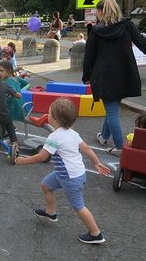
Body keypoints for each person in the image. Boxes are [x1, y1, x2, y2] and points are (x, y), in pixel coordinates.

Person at [16, 98, 110, 244]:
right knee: (46, 185)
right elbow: (86, 148)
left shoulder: (54, 137)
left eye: (49, 112)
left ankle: (95, 233)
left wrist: (23, 161)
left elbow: (42, 156)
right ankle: (50, 212)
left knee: (79, 206)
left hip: (69, 177)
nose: (47, 113)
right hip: (69, 173)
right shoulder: (72, 133)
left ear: (55, 119)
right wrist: (96, 163)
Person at [83, 0, 146, 157]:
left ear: (100, 11)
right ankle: (104, 137)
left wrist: (86, 76)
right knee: (112, 108)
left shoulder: (96, 31)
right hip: (125, 74)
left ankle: (119, 147)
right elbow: (143, 44)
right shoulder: (127, 25)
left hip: (105, 76)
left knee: (111, 110)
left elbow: (89, 56)